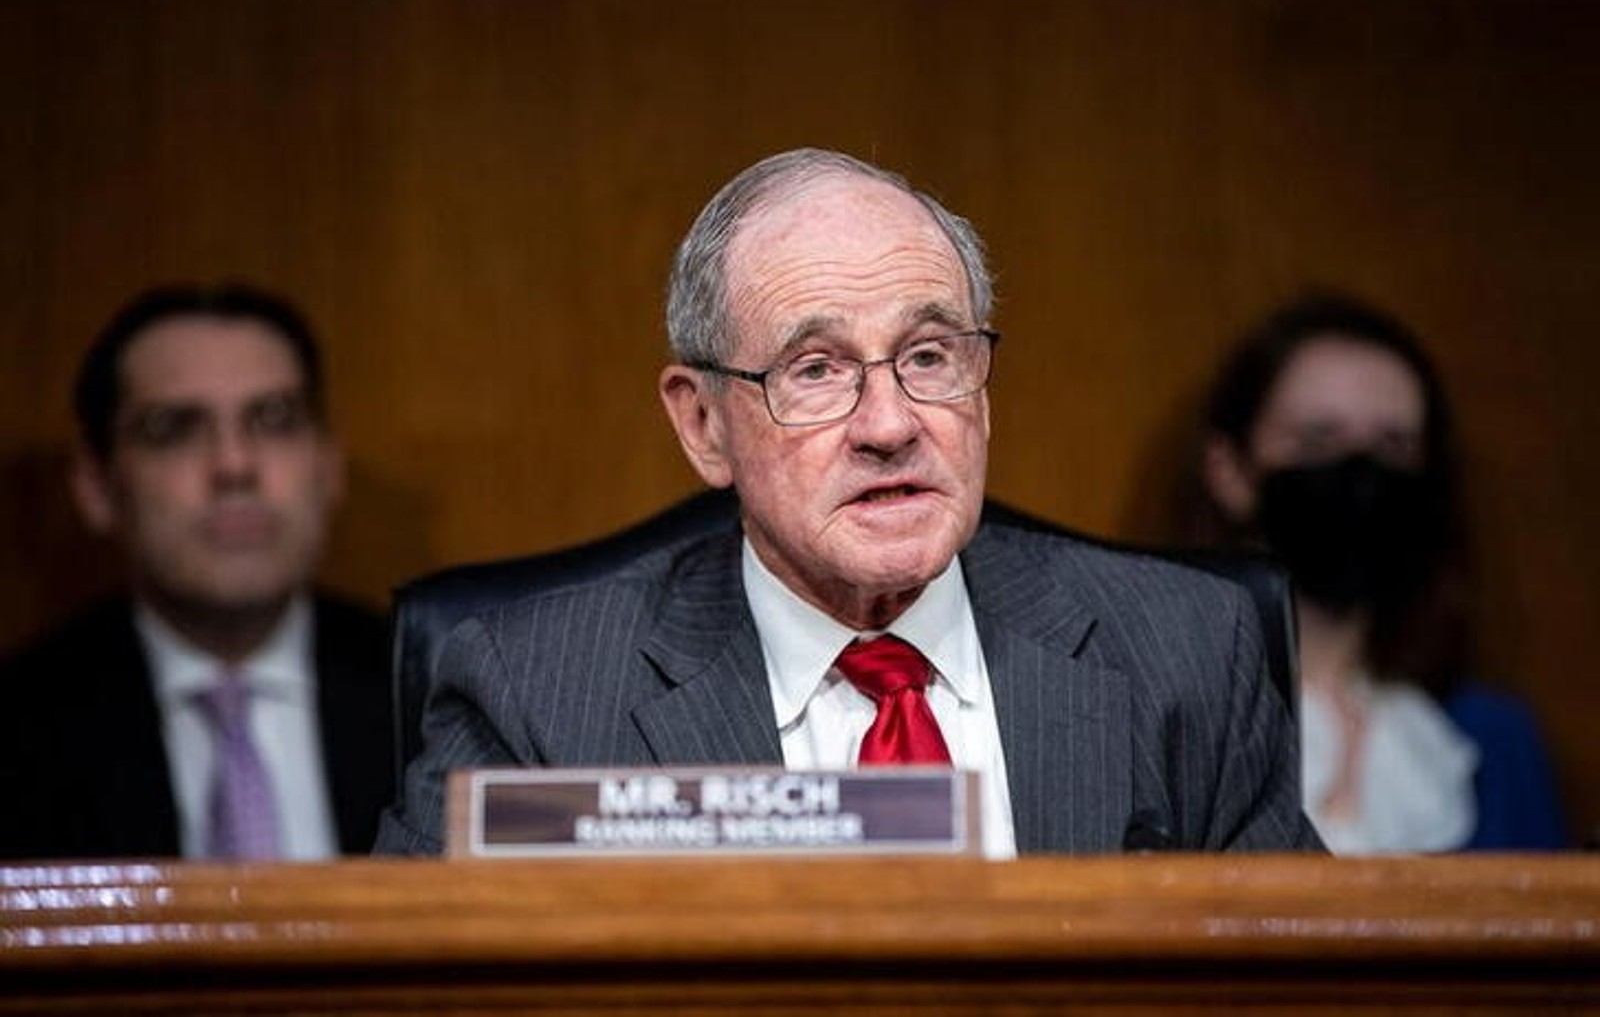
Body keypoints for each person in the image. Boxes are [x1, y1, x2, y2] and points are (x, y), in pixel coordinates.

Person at [376, 148, 1321, 857]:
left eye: (928, 357)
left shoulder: (1187, 652)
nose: (890, 424)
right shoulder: (537, 700)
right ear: (703, 424)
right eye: (816, 369)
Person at [0, 284, 393, 861]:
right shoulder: (19, 728)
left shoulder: (435, 700)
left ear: (329, 466)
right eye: (174, 429)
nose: (234, 465)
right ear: (97, 486)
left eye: (274, 419)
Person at [1192, 293, 1566, 852]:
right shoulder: (1174, 729)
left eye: (1394, 445)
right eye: (1319, 439)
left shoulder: (1490, 743)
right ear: (1229, 471)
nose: (1360, 474)